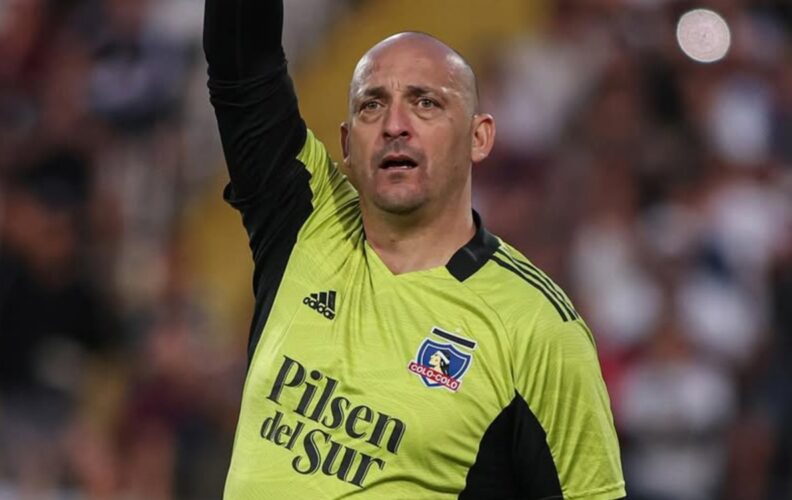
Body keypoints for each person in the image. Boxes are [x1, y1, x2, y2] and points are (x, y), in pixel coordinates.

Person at [203, 0, 625, 498]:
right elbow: (241, 64)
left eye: (426, 103)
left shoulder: (537, 329)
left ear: (479, 137)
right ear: (346, 143)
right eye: (371, 105)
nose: (394, 124)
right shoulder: (304, 220)